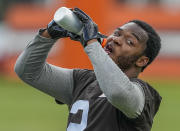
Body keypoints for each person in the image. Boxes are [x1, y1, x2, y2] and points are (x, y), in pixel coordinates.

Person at [15, 8, 162, 131]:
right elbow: (28, 71)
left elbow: (117, 92)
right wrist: (49, 34)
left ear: (142, 61)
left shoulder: (143, 94)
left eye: (130, 42)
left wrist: (91, 43)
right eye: (117, 33)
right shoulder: (83, 80)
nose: (116, 39)